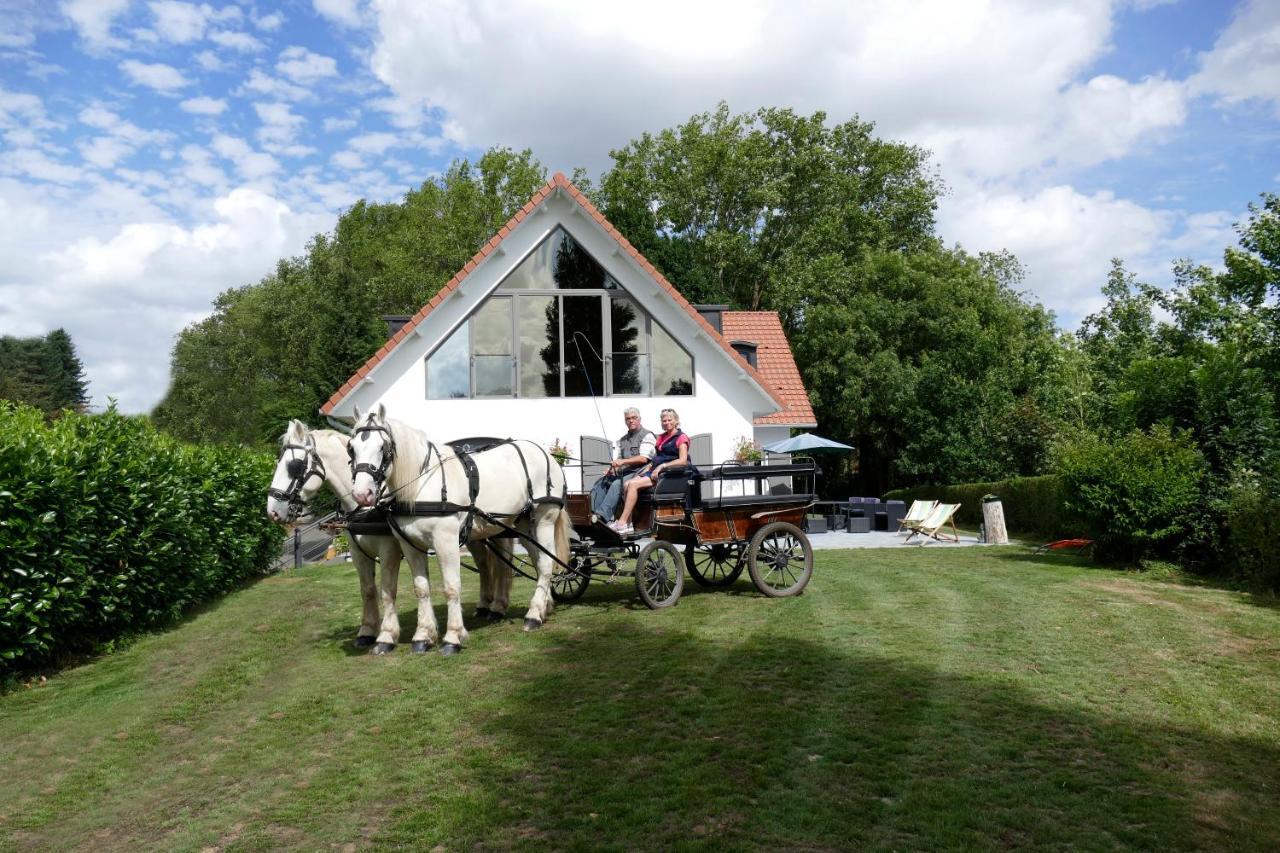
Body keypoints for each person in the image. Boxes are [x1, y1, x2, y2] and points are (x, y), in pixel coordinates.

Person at [611, 408, 689, 534]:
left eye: (670, 420)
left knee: (632, 484)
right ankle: (628, 524)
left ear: (676, 421)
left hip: (669, 474)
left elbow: (683, 460)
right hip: (655, 471)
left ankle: (622, 522)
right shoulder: (661, 437)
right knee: (626, 484)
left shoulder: (681, 437)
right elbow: (655, 458)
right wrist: (648, 468)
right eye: (664, 421)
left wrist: (662, 466)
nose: (666, 422)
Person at [588, 407, 656, 524]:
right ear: (625, 421)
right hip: (626, 472)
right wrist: (612, 470)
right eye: (628, 419)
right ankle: (593, 514)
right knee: (602, 482)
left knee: (617, 484)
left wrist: (622, 462)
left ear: (639, 419)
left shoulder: (647, 435)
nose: (631, 421)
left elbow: (643, 458)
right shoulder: (622, 440)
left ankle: (602, 516)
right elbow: (619, 460)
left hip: (641, 472)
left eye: (634, 418)